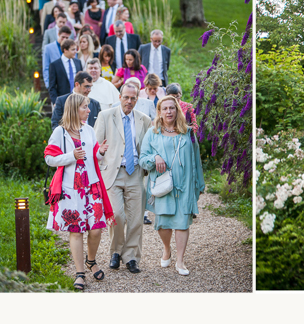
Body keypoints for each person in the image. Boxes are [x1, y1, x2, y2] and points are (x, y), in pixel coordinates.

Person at [44, 93, 113, 290]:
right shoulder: (60, 132)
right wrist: (70, 156)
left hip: (91, 187)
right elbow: (49, 158)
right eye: (85, 107)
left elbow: (93, 156)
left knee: (96, 229)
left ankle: (91, 260)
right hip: (70, 189)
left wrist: (100, 152)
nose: (89, 110)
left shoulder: (89, 130)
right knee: (76, 231)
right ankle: (80, 272)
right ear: (74, 109)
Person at [140, 96, 205, 275]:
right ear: (159, 112)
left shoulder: (188, 132)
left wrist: (199, 182)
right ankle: (167, 248)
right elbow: (143, 159)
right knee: (163, 224)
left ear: (177, 110)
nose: (169, 111)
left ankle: (181, 261)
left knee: (183, 222)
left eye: (172, 108)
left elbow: (196, 159)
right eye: (165, 108)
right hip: (162, 185)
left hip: (184, 184)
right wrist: (155, 158)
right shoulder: (152, 133)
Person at [94, 83, 152, 274]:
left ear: (137, 99)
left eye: (133, 98)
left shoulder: (144, 119)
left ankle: (131, 257)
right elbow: (96, 148)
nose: (129, 101)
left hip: (135, 172)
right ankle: (116, 252)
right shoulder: (105, 116)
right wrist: (100, 156)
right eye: (126, 97)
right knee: (117, 215)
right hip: (112, 172)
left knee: (136, 219)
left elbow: (147, 147)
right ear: (120, 97)